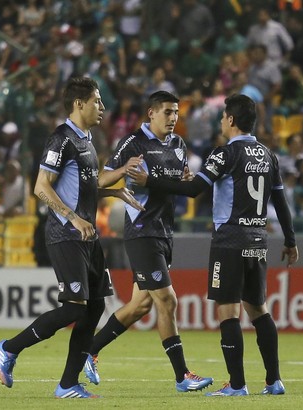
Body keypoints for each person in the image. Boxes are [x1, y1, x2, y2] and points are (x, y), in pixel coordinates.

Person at [128, 94, 299, 396]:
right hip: (258, 241)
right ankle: (274, 380)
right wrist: (290, 240)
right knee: (259, 309)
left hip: (229, 241)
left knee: (228, 312)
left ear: (231, 120)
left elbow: (194, 190)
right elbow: (281, 202)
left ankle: (237, 384)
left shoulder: (225, 154)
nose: (221, 122)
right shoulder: (267, 155)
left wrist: (149, 182)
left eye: (222, 117)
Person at [0, 77, 144, 399]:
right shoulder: (60, 139)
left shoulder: (86, 141)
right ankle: (9, 348)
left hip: (87, 236)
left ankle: (68, 384)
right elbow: (40, 186)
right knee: (75, 308)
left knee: (96, 305)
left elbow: (85, 188)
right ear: (79, 104)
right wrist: (72, 217)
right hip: (66, 234)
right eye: (97, 101)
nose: (102, 108)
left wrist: (115, 192)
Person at [84, 91, 213, 393]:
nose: (172, 118)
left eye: (176, 113)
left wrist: (182, 180)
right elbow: (100, 180)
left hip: (164, 231)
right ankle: (182, 377)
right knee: (167, 301)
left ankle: (88, 350)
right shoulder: (133, 143)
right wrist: (123, 171)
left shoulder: (178, 145)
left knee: (140, 305)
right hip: (141, 231)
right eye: (167, 112)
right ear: (151, 113)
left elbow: (177, 186)